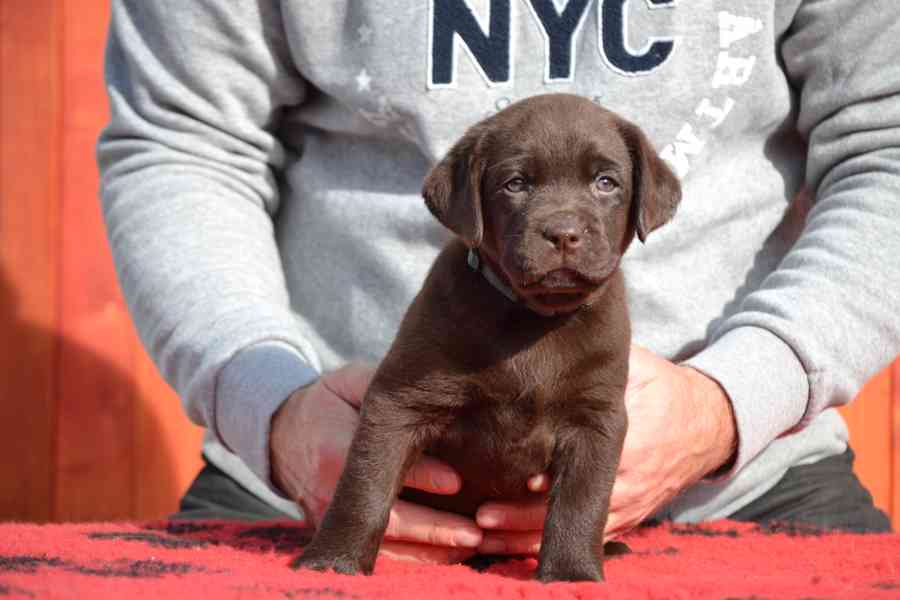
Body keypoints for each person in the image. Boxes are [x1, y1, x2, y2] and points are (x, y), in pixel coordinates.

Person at [98, 0, 897, 564]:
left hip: (746, 486)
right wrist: (266, 402)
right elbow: (179, 141)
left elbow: (886, 147)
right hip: (314, 476)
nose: (564, 222)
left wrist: (737, 400)